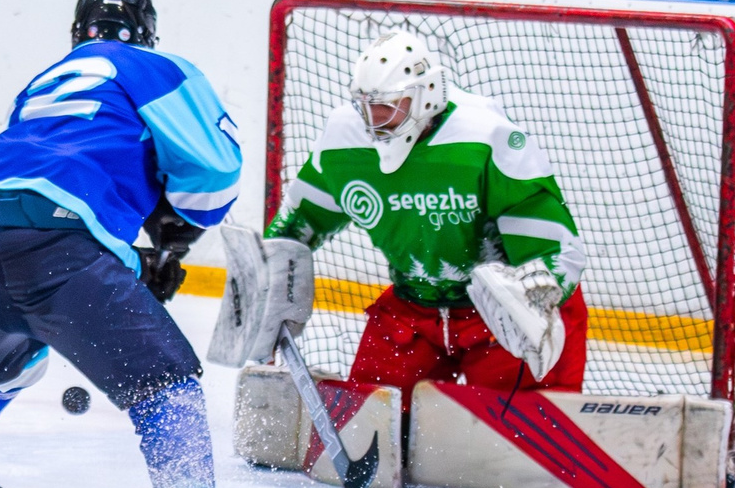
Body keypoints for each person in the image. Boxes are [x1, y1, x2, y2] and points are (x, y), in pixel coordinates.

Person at [0, 0, 294, 488]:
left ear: (76, 32)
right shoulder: (150, 67)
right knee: (165, 380)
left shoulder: (48, 78)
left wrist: (128, 254)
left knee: (5, 362)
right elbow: (215, 171)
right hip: (59, 236)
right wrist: (173, 240)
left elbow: (57, 164)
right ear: (145, 33)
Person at [212, 30, 587, 422]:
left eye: (388, 107)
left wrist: (540, 295)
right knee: (364, 424)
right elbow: (301, 220)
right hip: (414, 310)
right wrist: (268, 275)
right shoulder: (345, 140)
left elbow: (553, 246)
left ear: (426, 94)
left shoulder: (486, 136)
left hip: (497, 321)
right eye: (366, 107)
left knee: (524, 443)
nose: (374, 122)